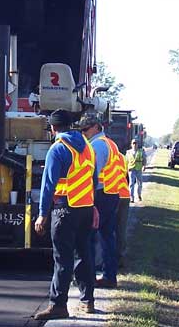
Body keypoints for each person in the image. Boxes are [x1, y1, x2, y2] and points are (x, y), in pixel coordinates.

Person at [33, 109, 96, 320]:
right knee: (84, 255)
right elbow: (92, 179)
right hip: (85, 208)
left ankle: (58, 305)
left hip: (65, 209)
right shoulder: (87, 147)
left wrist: (42, 214)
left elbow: (48, 185)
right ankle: (87, 301)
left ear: (53, 127)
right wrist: (93, 205)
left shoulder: (58, 148)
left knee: (63, 258)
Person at [80, 114, 120, 289]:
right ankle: (109, 276)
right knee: (107, 237)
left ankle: (88, 278)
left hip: (100, 195)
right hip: (111, 194)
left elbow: (92, 175)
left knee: (88, 236)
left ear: (96, 127)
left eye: (86, 129)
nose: (84, 132)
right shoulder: (110, 143)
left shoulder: (96, 145)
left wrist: (89, 199)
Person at [116, 151, 131, 267]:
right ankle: (120, 258)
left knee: (107, 230)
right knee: (121, 228)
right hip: (124, 195)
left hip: (111, 195)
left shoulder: (100, 153)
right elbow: (127, 177)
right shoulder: (122, 157)